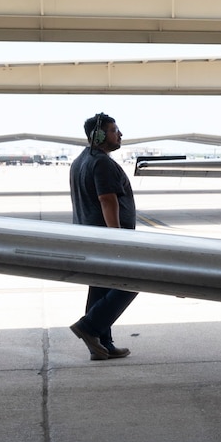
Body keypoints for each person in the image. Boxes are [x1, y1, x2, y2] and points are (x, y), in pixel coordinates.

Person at [68, 112, 138, 361]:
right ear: (98, 135)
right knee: (133, 282)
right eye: (114, 130)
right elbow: (107, 200)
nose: (120, 135)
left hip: (90, 238)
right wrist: (117, 238)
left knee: (100, 289)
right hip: (106, 239)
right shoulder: (102, 163)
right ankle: (89, 327)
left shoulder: (80, 161)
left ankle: (102, 344)